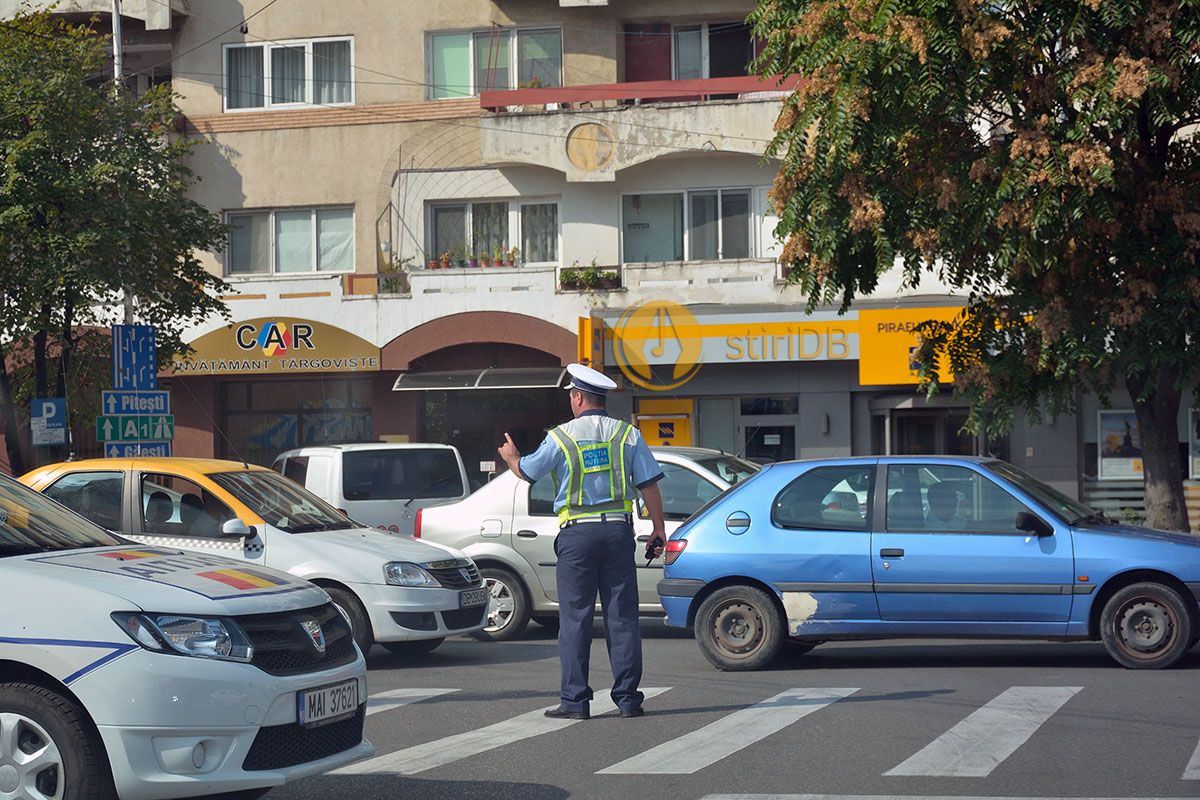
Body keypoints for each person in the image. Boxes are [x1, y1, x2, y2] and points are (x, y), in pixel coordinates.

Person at [498, 363, 665, 720]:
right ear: (600, 399)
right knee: (622, 617)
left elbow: (528, 472)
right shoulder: (628, 435)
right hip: (618, 533)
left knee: (576, 619)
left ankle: (575, 703)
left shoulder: (561, 436)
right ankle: (629, 701)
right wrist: (658, 529)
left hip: (577, 535)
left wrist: (511, 457)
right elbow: (649, 484)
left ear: (577, 398)